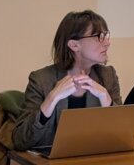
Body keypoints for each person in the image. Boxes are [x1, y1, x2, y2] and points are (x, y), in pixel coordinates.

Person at [13, 10, 121, 150]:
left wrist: (107, 99)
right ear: (74, 45)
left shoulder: (108, 76)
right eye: (98, 36)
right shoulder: (41, 80)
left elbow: (122, 137)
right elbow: (20, 141)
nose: (107, 42)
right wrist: (51, 99)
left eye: (106, 35)